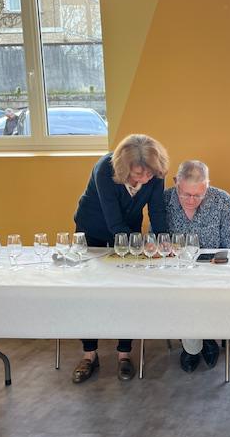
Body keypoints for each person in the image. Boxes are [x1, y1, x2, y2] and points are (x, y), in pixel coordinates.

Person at [72, 134, 169, 384]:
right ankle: (89, 354)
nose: (145, 179)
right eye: (138, 174)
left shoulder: (155, 172)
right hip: (93, 229)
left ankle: (124, 354)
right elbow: (114, 222)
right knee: (89, 292)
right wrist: (141, 244)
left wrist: (161, 240)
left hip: (129, 229)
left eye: (149, 174)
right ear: (124, 168)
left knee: (127, 290)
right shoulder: (105, 169)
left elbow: (157, 210)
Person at [164, 160, 230, 373]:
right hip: (177, 274)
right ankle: (194, 345)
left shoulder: (223, 201)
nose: (191, 200)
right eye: (185, 195)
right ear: (176, 183)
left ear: (207, 186)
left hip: (215, 273)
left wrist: (213, 267)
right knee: (182, 292)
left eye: (198, 195)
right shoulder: (164, 201)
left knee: (202, 291)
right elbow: (157, 241)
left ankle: (204, 339)